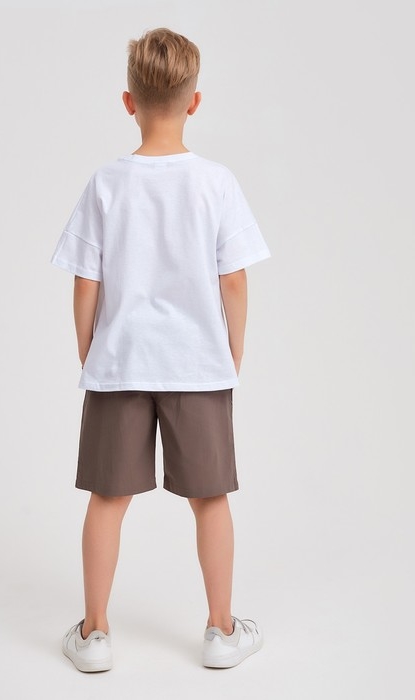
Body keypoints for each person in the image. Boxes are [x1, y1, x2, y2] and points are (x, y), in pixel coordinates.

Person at [50, 27, 271, 672]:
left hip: (120, 361)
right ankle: (222, 630)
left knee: (106, 498)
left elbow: (85, 284)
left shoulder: (106, 184)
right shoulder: (216, 183)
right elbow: (234, 279)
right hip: (197, 362)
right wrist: (232, 351)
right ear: (194, 102)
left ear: (129, 102)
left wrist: (90, 352)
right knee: (211, 498)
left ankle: (95, 634)